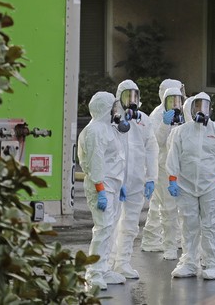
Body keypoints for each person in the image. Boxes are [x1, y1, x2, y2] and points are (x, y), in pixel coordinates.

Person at [166, 92, 215, 280]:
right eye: (197, 106)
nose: (201, 110)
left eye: (205, 106)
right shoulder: (181, 132)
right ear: (190, 108)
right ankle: (189, 263)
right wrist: (172, 179)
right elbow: (174, 156)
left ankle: (212, 264)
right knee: (189, 224)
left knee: (211, 224)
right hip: (186, 185)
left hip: (210, 185)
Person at [77, 91, 126, 291]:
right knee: (103, 228)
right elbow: (95, 161)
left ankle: (103, 268)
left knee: (110, 228)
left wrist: (119, 184)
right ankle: (93, 272)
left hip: (112, 185)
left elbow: (114, 158)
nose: (116, 110)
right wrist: (100, 189)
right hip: (101, 186)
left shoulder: (108, 128)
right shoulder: (95, 130)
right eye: (114, 106)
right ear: (105, 108)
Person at [111, 80, 159, 279]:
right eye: (127, 96)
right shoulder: (111, 119)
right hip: (115, 180)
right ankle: (107, 265)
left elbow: (151, 148)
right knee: (111, 223)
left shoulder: (144, 121)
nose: (131, 101)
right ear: (118, 97)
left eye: (134, 96)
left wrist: (151, 177)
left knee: (130, 224)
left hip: (137, 180)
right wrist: (115, 179)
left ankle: (123, 263)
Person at [141, 79, 185, 258]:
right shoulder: (159, 114)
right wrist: (165, 124)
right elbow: (156, 142)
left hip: (174, 166)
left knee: (160, 204)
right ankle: (166, 243)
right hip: (163, 166)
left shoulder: (180, 113)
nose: (180, 96)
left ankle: (152, 239)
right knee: (167, 206)